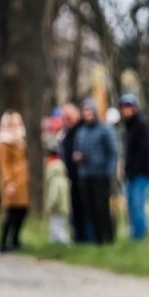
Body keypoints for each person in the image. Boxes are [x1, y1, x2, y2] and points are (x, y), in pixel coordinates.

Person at [71, 99, 117, 244]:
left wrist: (109, 172)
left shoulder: (104, 130)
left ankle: (107, 237)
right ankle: (96, 239)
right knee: (89, 209)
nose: (88, 114)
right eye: (85, 111)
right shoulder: (81, 132)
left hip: (101, 175)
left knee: (101, 207)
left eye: (90, 111)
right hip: (85, 175)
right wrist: (78, 158)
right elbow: (76, 150)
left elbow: (112, 153)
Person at [118, 93, 149, 241]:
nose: (126, 110)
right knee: (131, 207)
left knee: (138, 206)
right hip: (131, 173)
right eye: (124, 107)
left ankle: (140, 237)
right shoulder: (129, 127)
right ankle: (134, 235)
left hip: (140, 173)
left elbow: (143, 152)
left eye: (129, 107)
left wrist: (132, 169)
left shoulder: (141, 125)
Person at [0, 111, 30, 252]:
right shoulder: (4, 141)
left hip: (21, 181)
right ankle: (3, 242)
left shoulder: (19, 140)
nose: (17, 125)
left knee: (22, 210)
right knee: (11, 211)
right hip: (12, 181)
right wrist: (9, 182)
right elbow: (4, 164)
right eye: (14, 122)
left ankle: (15, 239)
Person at [57, 103, 89, 243]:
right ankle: (77, 236)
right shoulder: (65, 133)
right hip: (69, 175)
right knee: (74, 208)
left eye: (69, 117)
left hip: (81, 175)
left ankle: (85, 236)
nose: (67, 120)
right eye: (65, 117)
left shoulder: (82, 129)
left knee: (83, 208)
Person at [45, 151, 72, 245]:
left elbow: (54, 196)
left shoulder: (55, 182)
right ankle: (55, 241)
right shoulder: (64, 180)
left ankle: (63, 241)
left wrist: (50, 205)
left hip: (56, 208)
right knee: (60, 225)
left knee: (57, 226)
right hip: (63, 208)